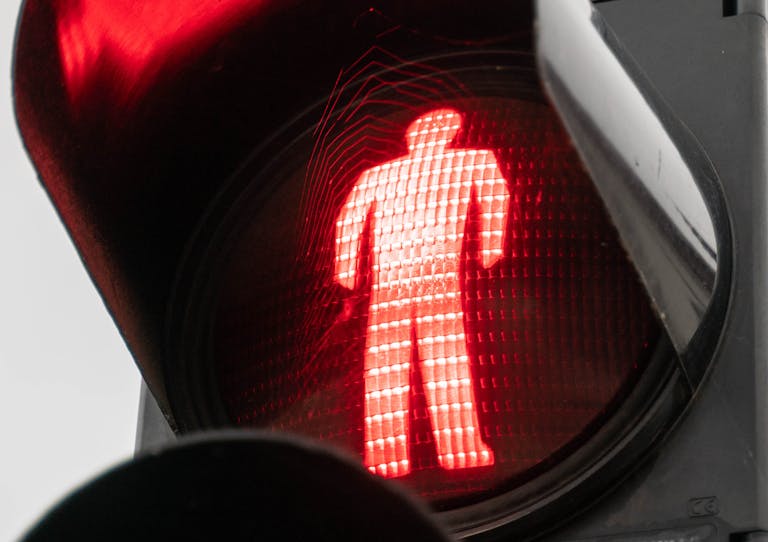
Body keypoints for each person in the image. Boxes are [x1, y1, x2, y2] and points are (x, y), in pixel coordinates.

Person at [335, 108, 510, 477]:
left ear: (451, 133)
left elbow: (496, 196)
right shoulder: (383, 173)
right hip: (415, 277)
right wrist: (345, 270)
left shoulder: (387, 172)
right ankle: (411, 453)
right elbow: (350, 218)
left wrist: (490, 248)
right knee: (430, 360)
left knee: (409, 362)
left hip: (412, 276)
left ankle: (409, 454)